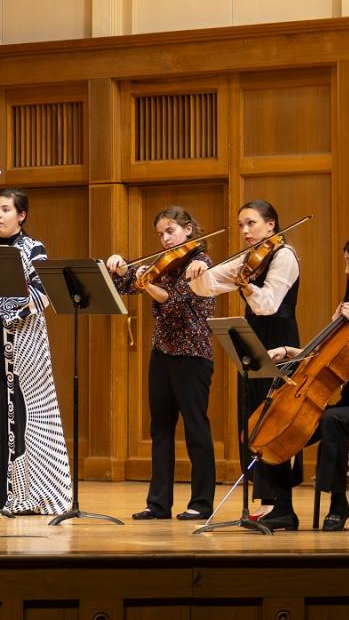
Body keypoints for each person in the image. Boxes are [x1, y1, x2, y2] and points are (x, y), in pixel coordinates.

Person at [264, 233, 349, 531]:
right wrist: (290, 351)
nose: (346, 270)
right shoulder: (347, 306)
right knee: (283, 424)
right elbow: (321, 353)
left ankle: (338, 502)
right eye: (345, 263)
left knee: (333, 420)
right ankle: (283, 508)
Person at [0, 188, 73, 515]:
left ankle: (25, 496)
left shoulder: (33, 249)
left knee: (22, 415)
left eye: (5, 209)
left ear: (21, 216)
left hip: (21, 344)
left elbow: (43, 293)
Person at [188, 199, 302, 529]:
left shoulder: (285, 256)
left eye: (251, 223)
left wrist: (244, 284)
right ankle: (268, 504)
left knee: (273, 422)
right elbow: (208, 286)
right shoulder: (249, 260)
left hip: (279, 340)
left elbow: (268, 303)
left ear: (271, 225)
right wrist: (196, 272)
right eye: (241, 225)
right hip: (252, 341)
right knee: (253, 420)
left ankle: (284, 506)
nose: (245, 231)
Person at [106, 206, 216, 521]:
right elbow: (125, 284)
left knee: (196, 428)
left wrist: (147, 286)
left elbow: (177, 303)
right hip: (163, 352)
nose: (165, 239)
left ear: (188, 230)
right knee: (161, 429)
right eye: (161, 234)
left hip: (193, 354)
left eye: (170, 231)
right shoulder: (162, 264)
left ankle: (202, 503)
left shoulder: (201, 264)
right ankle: (158, 504)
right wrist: (118, 267)